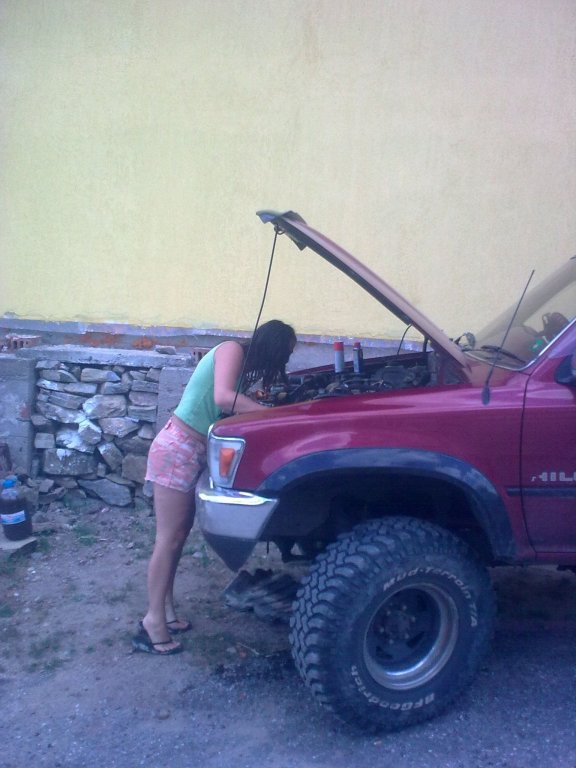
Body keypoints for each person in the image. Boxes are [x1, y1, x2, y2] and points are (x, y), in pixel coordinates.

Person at [132, 319, 297, 655]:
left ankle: (166, 611)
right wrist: (270, 413)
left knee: (178, 537)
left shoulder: (241, 363)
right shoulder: (231, 349)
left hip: (191, 451)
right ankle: (152, 622)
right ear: (272, 347)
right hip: (177, 448)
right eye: (284, 354)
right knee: (167, 539)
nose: (283, 362)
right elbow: (223, 398)